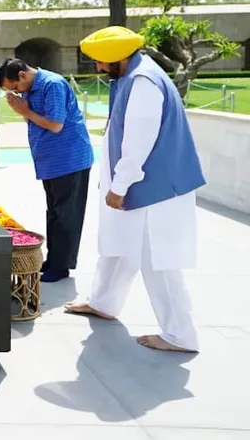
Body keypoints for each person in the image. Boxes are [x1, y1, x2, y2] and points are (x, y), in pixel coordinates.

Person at [63, 25, 205, 353]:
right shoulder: (131, 75)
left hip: (157, 190)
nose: (98, 67)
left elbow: (138, 141)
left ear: (118, 58)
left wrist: (120, 185)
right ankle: (103, 302)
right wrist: (115, 183)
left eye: (101, 61)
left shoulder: (143, 82)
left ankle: (180, 334)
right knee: (117, 245)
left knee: (158, 259)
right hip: (134, 184)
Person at [0, 57, 95, 283]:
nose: (17, 92)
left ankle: (62, 266)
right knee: (54, 212)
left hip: (69, 159)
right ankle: (54, 259)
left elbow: (55, 124)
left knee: (67, 214)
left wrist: (26, 111)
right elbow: (34, 121)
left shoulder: (52, 85)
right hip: (50, 161)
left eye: (15, 87)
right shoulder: (30, 89)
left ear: (22, 75)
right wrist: (23, 110)